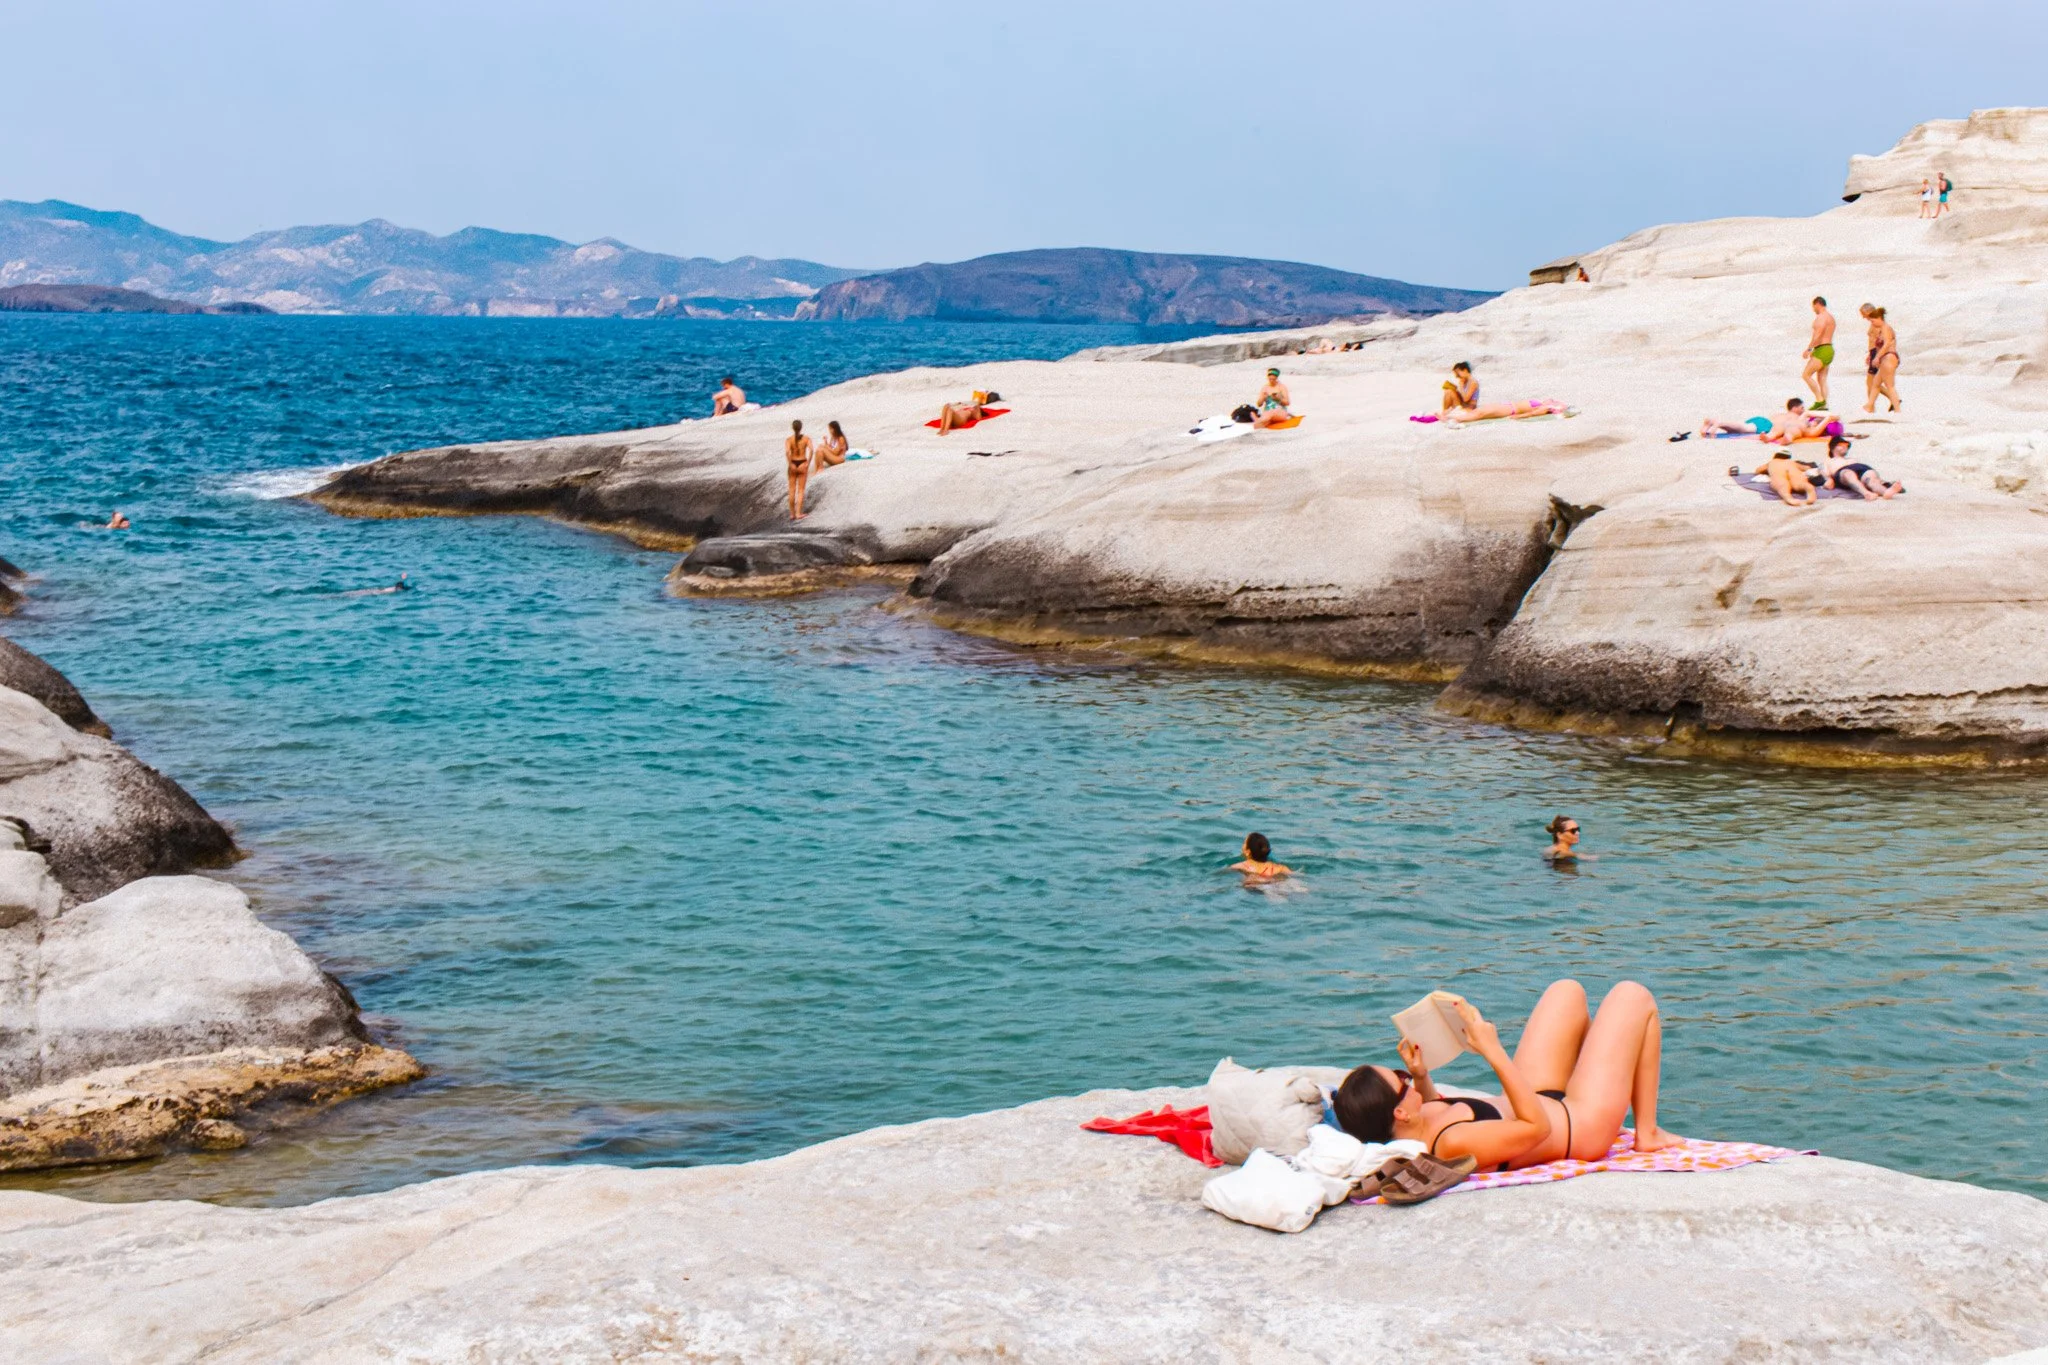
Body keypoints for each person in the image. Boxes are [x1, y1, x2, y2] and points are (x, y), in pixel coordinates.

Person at [1332, 980, 1685, 1170]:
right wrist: (1491, 1050)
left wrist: (1420, 1075)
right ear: (1399, 1113)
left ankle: (1599, 1067)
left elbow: (1433, 1104)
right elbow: (1536, 1129)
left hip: (1536, 1095)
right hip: (1578, 1123)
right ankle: (1647, 1133)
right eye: (1401, 1080)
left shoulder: (1418, 1118)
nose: (1407, 1080)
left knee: (1567, 991)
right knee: (1634, 996)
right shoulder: (1452, 1144)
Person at [1821, 435, 1904, 500]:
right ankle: (1866, 493)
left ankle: (1886, 492)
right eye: (1841, 445)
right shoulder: (1828, 461)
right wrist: (1828, 480)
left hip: (1860, 468)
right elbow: (1826, 474)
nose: (1844, 447)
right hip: (1842, 472)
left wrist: (1883, 482)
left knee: (1871, 478)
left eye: (1846, 445)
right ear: (1832, 447)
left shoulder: (1852, 459)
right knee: (1848, 474)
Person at [1861, 304, 1901, 414]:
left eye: (1873, 321)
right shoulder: (1881, 328)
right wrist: (1873, 356)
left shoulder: (1885, 328)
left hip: (1889, 358)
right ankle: (1869, 406)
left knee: (1889, 385)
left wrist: (1876, 357)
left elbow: (1887, 343)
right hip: (1883, 358)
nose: (1871, 322)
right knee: (1875, 384)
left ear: (1878, 318)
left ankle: (1897, 410)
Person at [1802, 297, 1836, 410]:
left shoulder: (1821, 318)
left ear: (1817, 304)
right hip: (1829, 348)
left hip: (1822, 349)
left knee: (1806, 375)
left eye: (1813, 307)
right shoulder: (1831, 318)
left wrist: (1809, 349)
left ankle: (1819, 400)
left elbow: (1818, 334)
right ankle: (1824, 404)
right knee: (1822, 379)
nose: (1813, 309)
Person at [1442, 397, 1569, 424]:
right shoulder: (1542, 403)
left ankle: (1451, 419)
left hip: (1510, 410)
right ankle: (1453, 416)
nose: (1550, 400)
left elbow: (1532, 413)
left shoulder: (1545, 408)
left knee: (1480, 414)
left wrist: (1518, 417)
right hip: (1506, 404)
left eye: (1553, 401)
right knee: (1480, 410)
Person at [935, 390, 1001, 435]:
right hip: (956, 416)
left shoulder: (975, 413)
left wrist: (977, 406)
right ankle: (941, 429)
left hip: (960, 420)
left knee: (950, 410)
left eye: (976, 407)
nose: (974, 407)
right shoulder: (970, 409)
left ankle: (945, 430)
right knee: (946, 406)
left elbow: (978, 416)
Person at [784, 419, 812, 520]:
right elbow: (812, 449)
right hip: (802, 463)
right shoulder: (806, 439)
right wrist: (808, 462)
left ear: (793, 428)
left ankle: (792, 514)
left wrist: (790, 463)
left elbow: (787, 452)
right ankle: (798, 513)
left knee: (792, 489)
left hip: (793, 463)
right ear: (801, 427)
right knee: (800, 490)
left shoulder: (789, 440)